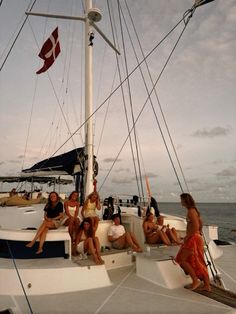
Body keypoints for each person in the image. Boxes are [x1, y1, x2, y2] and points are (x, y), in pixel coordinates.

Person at [175, 193, 211, 291]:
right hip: (196, 237)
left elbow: (195, 225)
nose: (180, 201)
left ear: (185, 201)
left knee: (182, 259)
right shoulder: (193, 210)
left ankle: (195, 280)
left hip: (193, 239)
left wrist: (188, 236)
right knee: (199, 261)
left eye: (181, 200)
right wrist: (198, 233)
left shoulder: (191, 211)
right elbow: (200, 223)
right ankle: (207, 285)